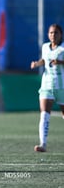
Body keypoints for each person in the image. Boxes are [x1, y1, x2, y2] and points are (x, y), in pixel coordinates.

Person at [30, 23, 64, 152]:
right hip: (47, 85)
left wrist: (60, 62)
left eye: (56, 33)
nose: (53, 35)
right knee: (44, 114)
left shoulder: (63, 49)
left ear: (61, 35)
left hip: (62, 87)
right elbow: (45, 60)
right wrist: (37, 63)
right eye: (51, 32)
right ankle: (43, 144)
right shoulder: (45, 47)